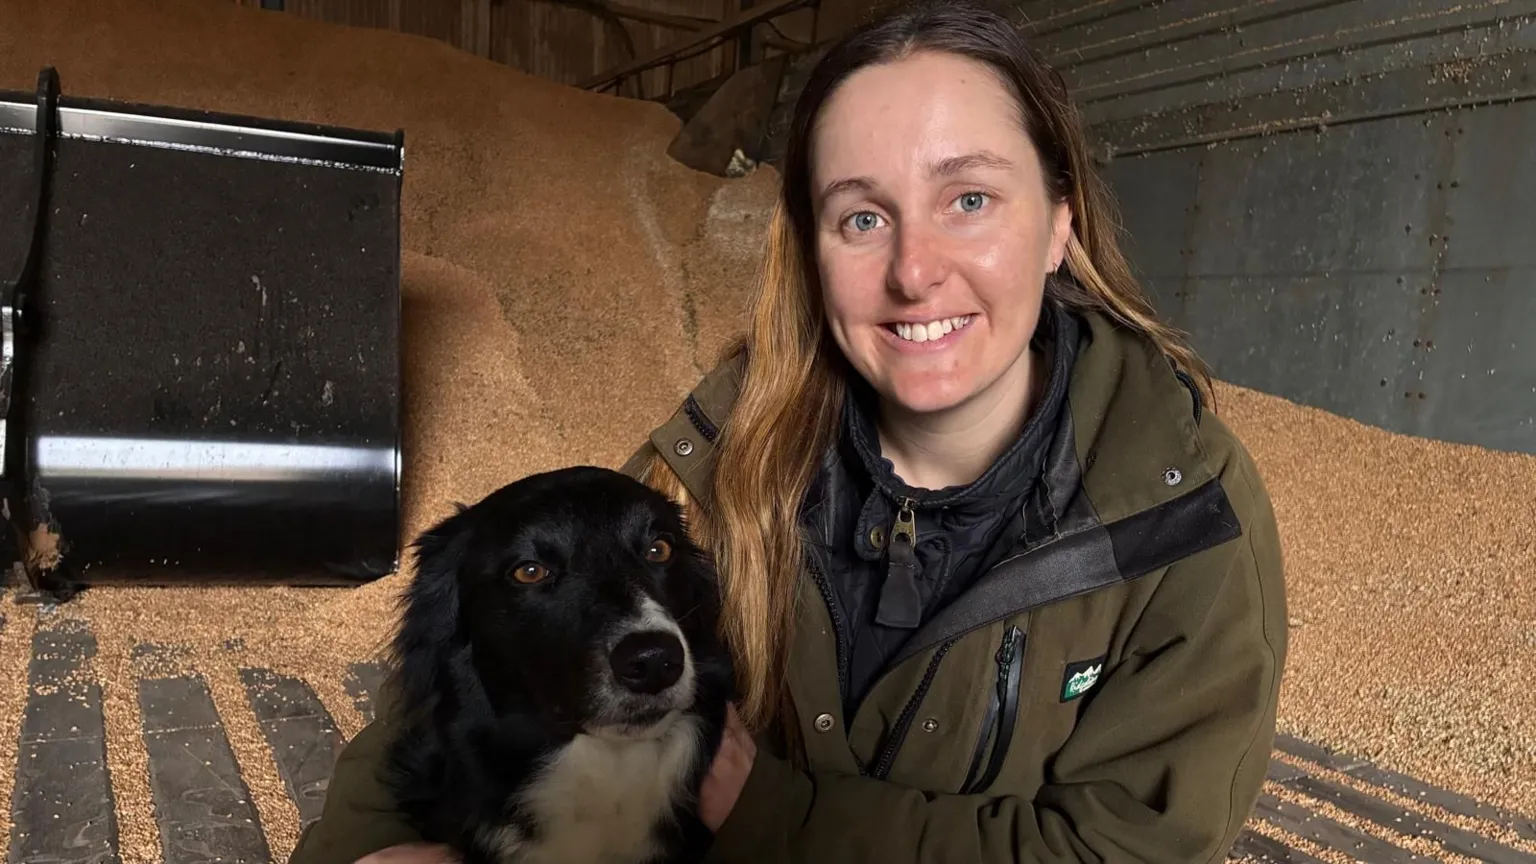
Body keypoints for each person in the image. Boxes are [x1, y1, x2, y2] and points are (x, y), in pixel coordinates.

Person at [289, 1, 1288, 861]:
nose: (914, 269)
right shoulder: (726, 448)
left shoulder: (1178, 519)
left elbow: (1123, 848)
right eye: (862, 217)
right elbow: (458, 662)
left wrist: (778, 817)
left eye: (970, 199)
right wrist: (363, 850)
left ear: (1060, 219)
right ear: (810, 249)